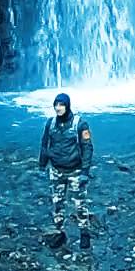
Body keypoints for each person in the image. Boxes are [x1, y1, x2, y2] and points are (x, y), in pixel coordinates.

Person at [37, 92, 95, 249]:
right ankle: (59, 231)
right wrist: (42, 164)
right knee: (57, 203)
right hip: (56, 170)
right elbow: (44, 144)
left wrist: (85, 171)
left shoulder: (80, 124)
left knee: (80, 205)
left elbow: (87, 147)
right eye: (56, 104)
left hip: (75, 171)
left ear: (67, 106)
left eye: (61, 105)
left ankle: (84, 233)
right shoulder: (50, 124)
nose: (58, 108)